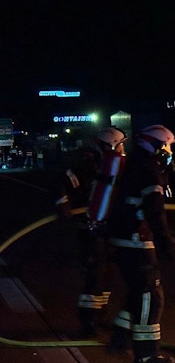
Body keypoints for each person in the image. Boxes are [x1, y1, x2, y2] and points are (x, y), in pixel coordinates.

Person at [105, 125, 175, 363]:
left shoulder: (136, 165)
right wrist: (167, 244)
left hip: (124, 239)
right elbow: (155, 212)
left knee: (139, 293)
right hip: (136, 242)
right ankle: (147, 354)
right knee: (151, 296)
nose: (169, 151)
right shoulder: (149, 171)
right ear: (158, 146)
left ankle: (120, 339)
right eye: (167, 146)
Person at [53, 126, 128, 337]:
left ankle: (100, 316)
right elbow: (62, 183)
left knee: (106, 272)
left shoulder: (109, 163)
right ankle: (88, 321)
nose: (123, 148)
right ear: (110, 144)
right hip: (89, 224)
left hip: (104, 224)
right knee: (94, 272)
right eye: (120, 144)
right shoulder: (89, 162)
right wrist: (64, 206)